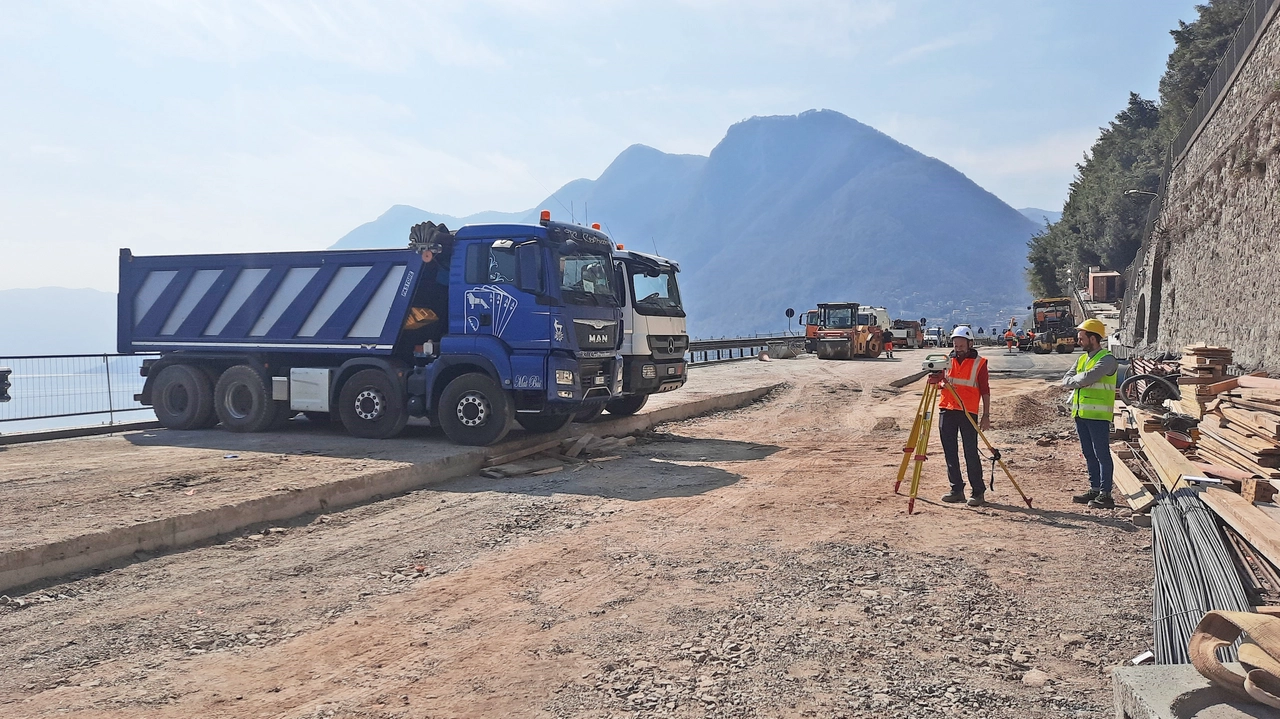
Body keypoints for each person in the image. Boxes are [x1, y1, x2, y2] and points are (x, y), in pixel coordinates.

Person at [1062, 318, 1119, 509]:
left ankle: (1106, 494)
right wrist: (1078, 381)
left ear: (1093, 339)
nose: (1079, 341)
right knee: (1088, 453)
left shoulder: (1107, 359)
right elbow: (1067, 379)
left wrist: (1077, 381)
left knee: (1101, 454)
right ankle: (1094, 488)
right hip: (1081, 413)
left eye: (1082, 338)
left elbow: (1088, 378)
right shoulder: (1082, 359)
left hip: (1098, 416)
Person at [938, 326, 992, 507]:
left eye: (961, 345)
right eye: (955, 345)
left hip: (968, 412)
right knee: (950, 451)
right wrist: (939, 384)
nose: (958, 348)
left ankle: (978, 492)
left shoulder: (980, 363)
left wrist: (986, 414)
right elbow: (940, 381)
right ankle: (956, 489)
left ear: (970, 344)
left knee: (970, 452)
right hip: (947, 409)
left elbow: (985, 391)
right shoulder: (946, 360)